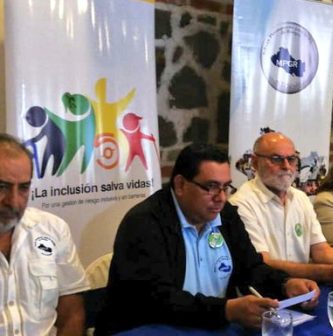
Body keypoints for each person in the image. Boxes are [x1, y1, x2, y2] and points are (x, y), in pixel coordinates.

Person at [95, 143, 319, 335]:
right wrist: (226, 310)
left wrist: (285, 284)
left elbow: (250, 268)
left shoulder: (226, 214)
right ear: (180, 185)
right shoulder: (144, 223)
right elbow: (157, 300)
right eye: (211, 187)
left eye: (225, 187)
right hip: (150, 328)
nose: (220, 198)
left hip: (210, 325)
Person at [229, 132, 333, 283]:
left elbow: (321, 252)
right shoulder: (241, 203)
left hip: (306, 291)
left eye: (291, 159)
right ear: (255, 163)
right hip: (265, 295)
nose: (286, 166)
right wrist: (328, 272)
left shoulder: (300, 198)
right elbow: (262, 263)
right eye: (276, 159)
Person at [0, 133, 89, 335]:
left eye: (23, 188)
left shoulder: (52, 229)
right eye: (2, 187)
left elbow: (72, 313)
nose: (14, 201)